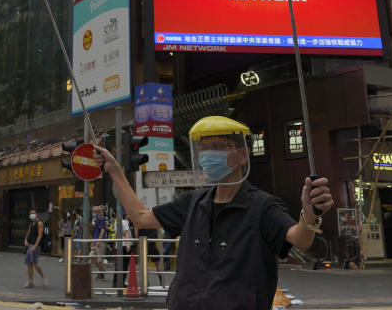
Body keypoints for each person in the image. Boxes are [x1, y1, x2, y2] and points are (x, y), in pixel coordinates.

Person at [93, 115, 333, 310]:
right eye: (204, 148)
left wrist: (309, 214)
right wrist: (114, 170)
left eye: (218, 146)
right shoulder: (193, 202)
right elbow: (141, 218)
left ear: (242, 155)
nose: (209, 155)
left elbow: (299, 237)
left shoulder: (263, 207)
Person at [22, 208, 46, 288]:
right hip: (30, 245)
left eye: (33, 213)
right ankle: (30, 282)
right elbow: (28, 234)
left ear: (36, 214)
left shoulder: (40, 223)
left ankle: (42, 276)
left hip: (36, 245)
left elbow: (40, 235)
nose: (31, 215)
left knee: (34, 263)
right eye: (30, 213)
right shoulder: (31, 224)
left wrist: (35, 246)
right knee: (29, 264)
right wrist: (25, 240)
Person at [113, 211, 134, 291]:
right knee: (124, 265)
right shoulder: (125, 222)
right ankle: (121, 282)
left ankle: (115, 282)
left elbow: (117, 234)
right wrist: (128, 244)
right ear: (127, 216)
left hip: (119, 245)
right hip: (125, 246)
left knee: (118, 264)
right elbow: (126, 233)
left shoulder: (117, 222)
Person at [91, 205, 108, 279]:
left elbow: (102, 230)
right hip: (95, 240)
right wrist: (93, 241)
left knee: (99, 258)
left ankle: (101, 273)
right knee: (91, 256)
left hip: (99, 242)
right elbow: (96, 232)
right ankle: (102, 270)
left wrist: (99, 240)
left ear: (97, 212)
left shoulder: (101, 219)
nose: (92, 213)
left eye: (93, 212)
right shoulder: (96, 219)